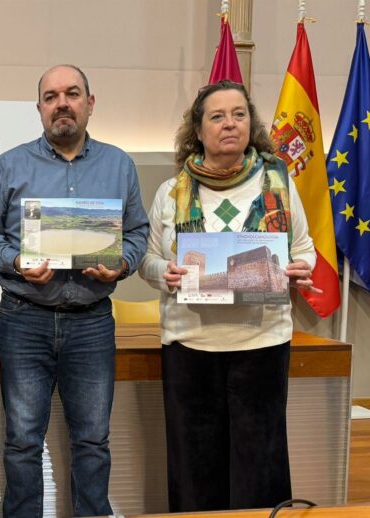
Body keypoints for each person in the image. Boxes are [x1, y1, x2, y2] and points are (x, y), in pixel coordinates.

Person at [0, 65, 149, 517]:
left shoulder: (119, 164)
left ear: (90, 103)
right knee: (22, 440)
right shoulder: (11, 164)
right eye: (51, 97)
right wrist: (15, 261)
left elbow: (139, 233)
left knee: (92, 439)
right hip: (23, 319)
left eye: (72, 94)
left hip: (91, 323)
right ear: (39, 109)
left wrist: (123, 262)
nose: (61, 103)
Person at [138, 80, 318, 512]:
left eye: (238, 114)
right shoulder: (171, 192)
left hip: (262, 345)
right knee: (194, 465)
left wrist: (299, 270)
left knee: (260, 465)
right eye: (216, 116)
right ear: (197, 130)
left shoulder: (279, 184)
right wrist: (169, 273)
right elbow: (146, 261)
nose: (229, 124)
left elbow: (304, 249)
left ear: (250, 124)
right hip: (189, 347)